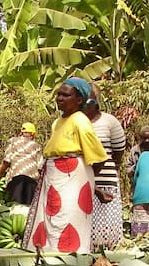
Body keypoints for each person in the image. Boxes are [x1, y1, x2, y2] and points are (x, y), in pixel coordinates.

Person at [22, 78, 108, 253]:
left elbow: (99, 157)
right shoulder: (57, 122)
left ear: (79, 100)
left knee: (68, 218)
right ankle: (47, 259)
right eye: (59, 94)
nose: (59, 98)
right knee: (51, 220)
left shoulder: (80, 121)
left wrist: (88, 182)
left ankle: (67, 261)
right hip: (54, 179)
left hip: (71, 179)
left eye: (65, 95)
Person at [84, 83, 127, 248]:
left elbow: (119, 150)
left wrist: (112, 167)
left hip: (106, 180)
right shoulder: (77, 122)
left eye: (91, 101)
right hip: (82, 181)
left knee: (106, 231)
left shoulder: (109, 121)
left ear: (97, 102)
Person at [0, 122, 42, 205]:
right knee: (28, 209)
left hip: (16, 179)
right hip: (32, 182)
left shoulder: (13, 142)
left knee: (15, 207)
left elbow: (7, 161)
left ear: (21, 132)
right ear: (33, 134)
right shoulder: (36, 146)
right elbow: (40, 167)